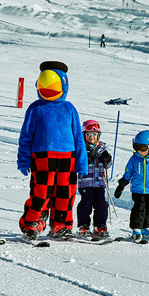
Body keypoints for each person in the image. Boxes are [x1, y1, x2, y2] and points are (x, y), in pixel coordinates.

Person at [17, 61, 88, 240]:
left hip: (68, 158)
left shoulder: (69, 108)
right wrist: (24, 159)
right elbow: (26, 136)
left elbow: (78, 137)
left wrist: (81, 162)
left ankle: (61, 226)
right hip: (42, 156)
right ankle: (32, 223)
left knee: (65, 194)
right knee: (41, 192)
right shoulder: (36, 108)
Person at [113, 130, 149, 241]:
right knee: (139, 209)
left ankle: (146, 227)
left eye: (142, 148)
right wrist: (121, 185)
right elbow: (128, 173)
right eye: (136, 147)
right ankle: (136, 228)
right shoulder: (134, 159)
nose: (139, 150)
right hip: (137, 190)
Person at [75, 120, 113, 238]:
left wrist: (108, 159)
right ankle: (84, 226)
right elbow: (77, 164)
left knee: (101, 205)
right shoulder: (81, 148)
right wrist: (86, 159)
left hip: (100, 183)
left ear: (98, 135)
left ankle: (100, 226)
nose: (92, 137)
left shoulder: (102, 148)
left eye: (94, 134)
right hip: (86, 183)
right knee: (85, 205)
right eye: (88, 134)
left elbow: (108, 165)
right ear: (84, 135)